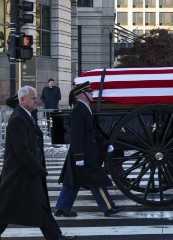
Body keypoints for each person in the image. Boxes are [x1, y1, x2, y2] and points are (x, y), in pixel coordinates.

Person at [0, 86, 76, 240]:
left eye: (37, 97)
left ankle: (55, 237)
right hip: (19, 173)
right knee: (6, 209)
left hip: (26, 172)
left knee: (40, 205)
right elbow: (22, 150)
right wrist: (38, 169)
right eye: (33, 98)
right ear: (22, 100)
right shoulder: (18, 119)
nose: (37, 101)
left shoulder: (26, 116)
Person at [55, 81, 122, 217]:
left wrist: (105, 143)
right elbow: (76, 135)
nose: (92, 94)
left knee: (72, 179)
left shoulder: (85, 108)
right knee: (96, 178)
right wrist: (79, 156)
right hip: (83, 152)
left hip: (84, 151)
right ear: (81, 94)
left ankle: (62, 207)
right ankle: (108, 207)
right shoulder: (78, 110)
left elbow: (93, 130)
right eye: (89, 92)